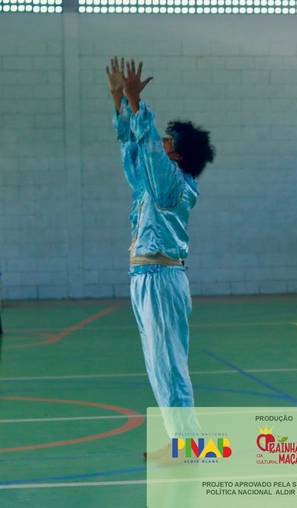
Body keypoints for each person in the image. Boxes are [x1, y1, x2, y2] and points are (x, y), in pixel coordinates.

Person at [106, 57, 215, 449]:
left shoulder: (176, 186)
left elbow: (149, 153)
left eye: (168, 141)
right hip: (144, 280)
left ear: (178, 155)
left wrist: (138, 105)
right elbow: (133, 153)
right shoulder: (152, 184)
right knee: (159, 367)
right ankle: (181, 441)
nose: (161, 143)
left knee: (169, 367)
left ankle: (190, 445)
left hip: (162, 280)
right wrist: (119, 104)